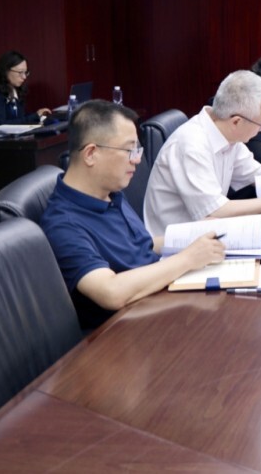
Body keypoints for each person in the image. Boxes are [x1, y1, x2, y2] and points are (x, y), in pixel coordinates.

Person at [40, 100, 226, 329]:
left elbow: (142, 244)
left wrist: (194, 236)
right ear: (91, 154)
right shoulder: (63, 224)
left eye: (137, 150)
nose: (136, 159)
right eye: (129, 150)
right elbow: (111, 291)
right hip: (127, 330)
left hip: (159, 300)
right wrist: (188, 258)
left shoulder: (109, 192)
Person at [143, 70, 261, 236]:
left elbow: (258, 173)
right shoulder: (192, 144)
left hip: (207, 235)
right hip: (176, 247)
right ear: (236, 121)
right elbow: (215, 210)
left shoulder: (227, 134)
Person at [0, 50, 50, 125]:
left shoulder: (17, 90)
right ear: (6, 70)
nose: (24, 77)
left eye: (26, 72)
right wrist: (34, 116)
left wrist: (40, 117)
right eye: (20, 72)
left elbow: (21, 119)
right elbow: (1, 125)